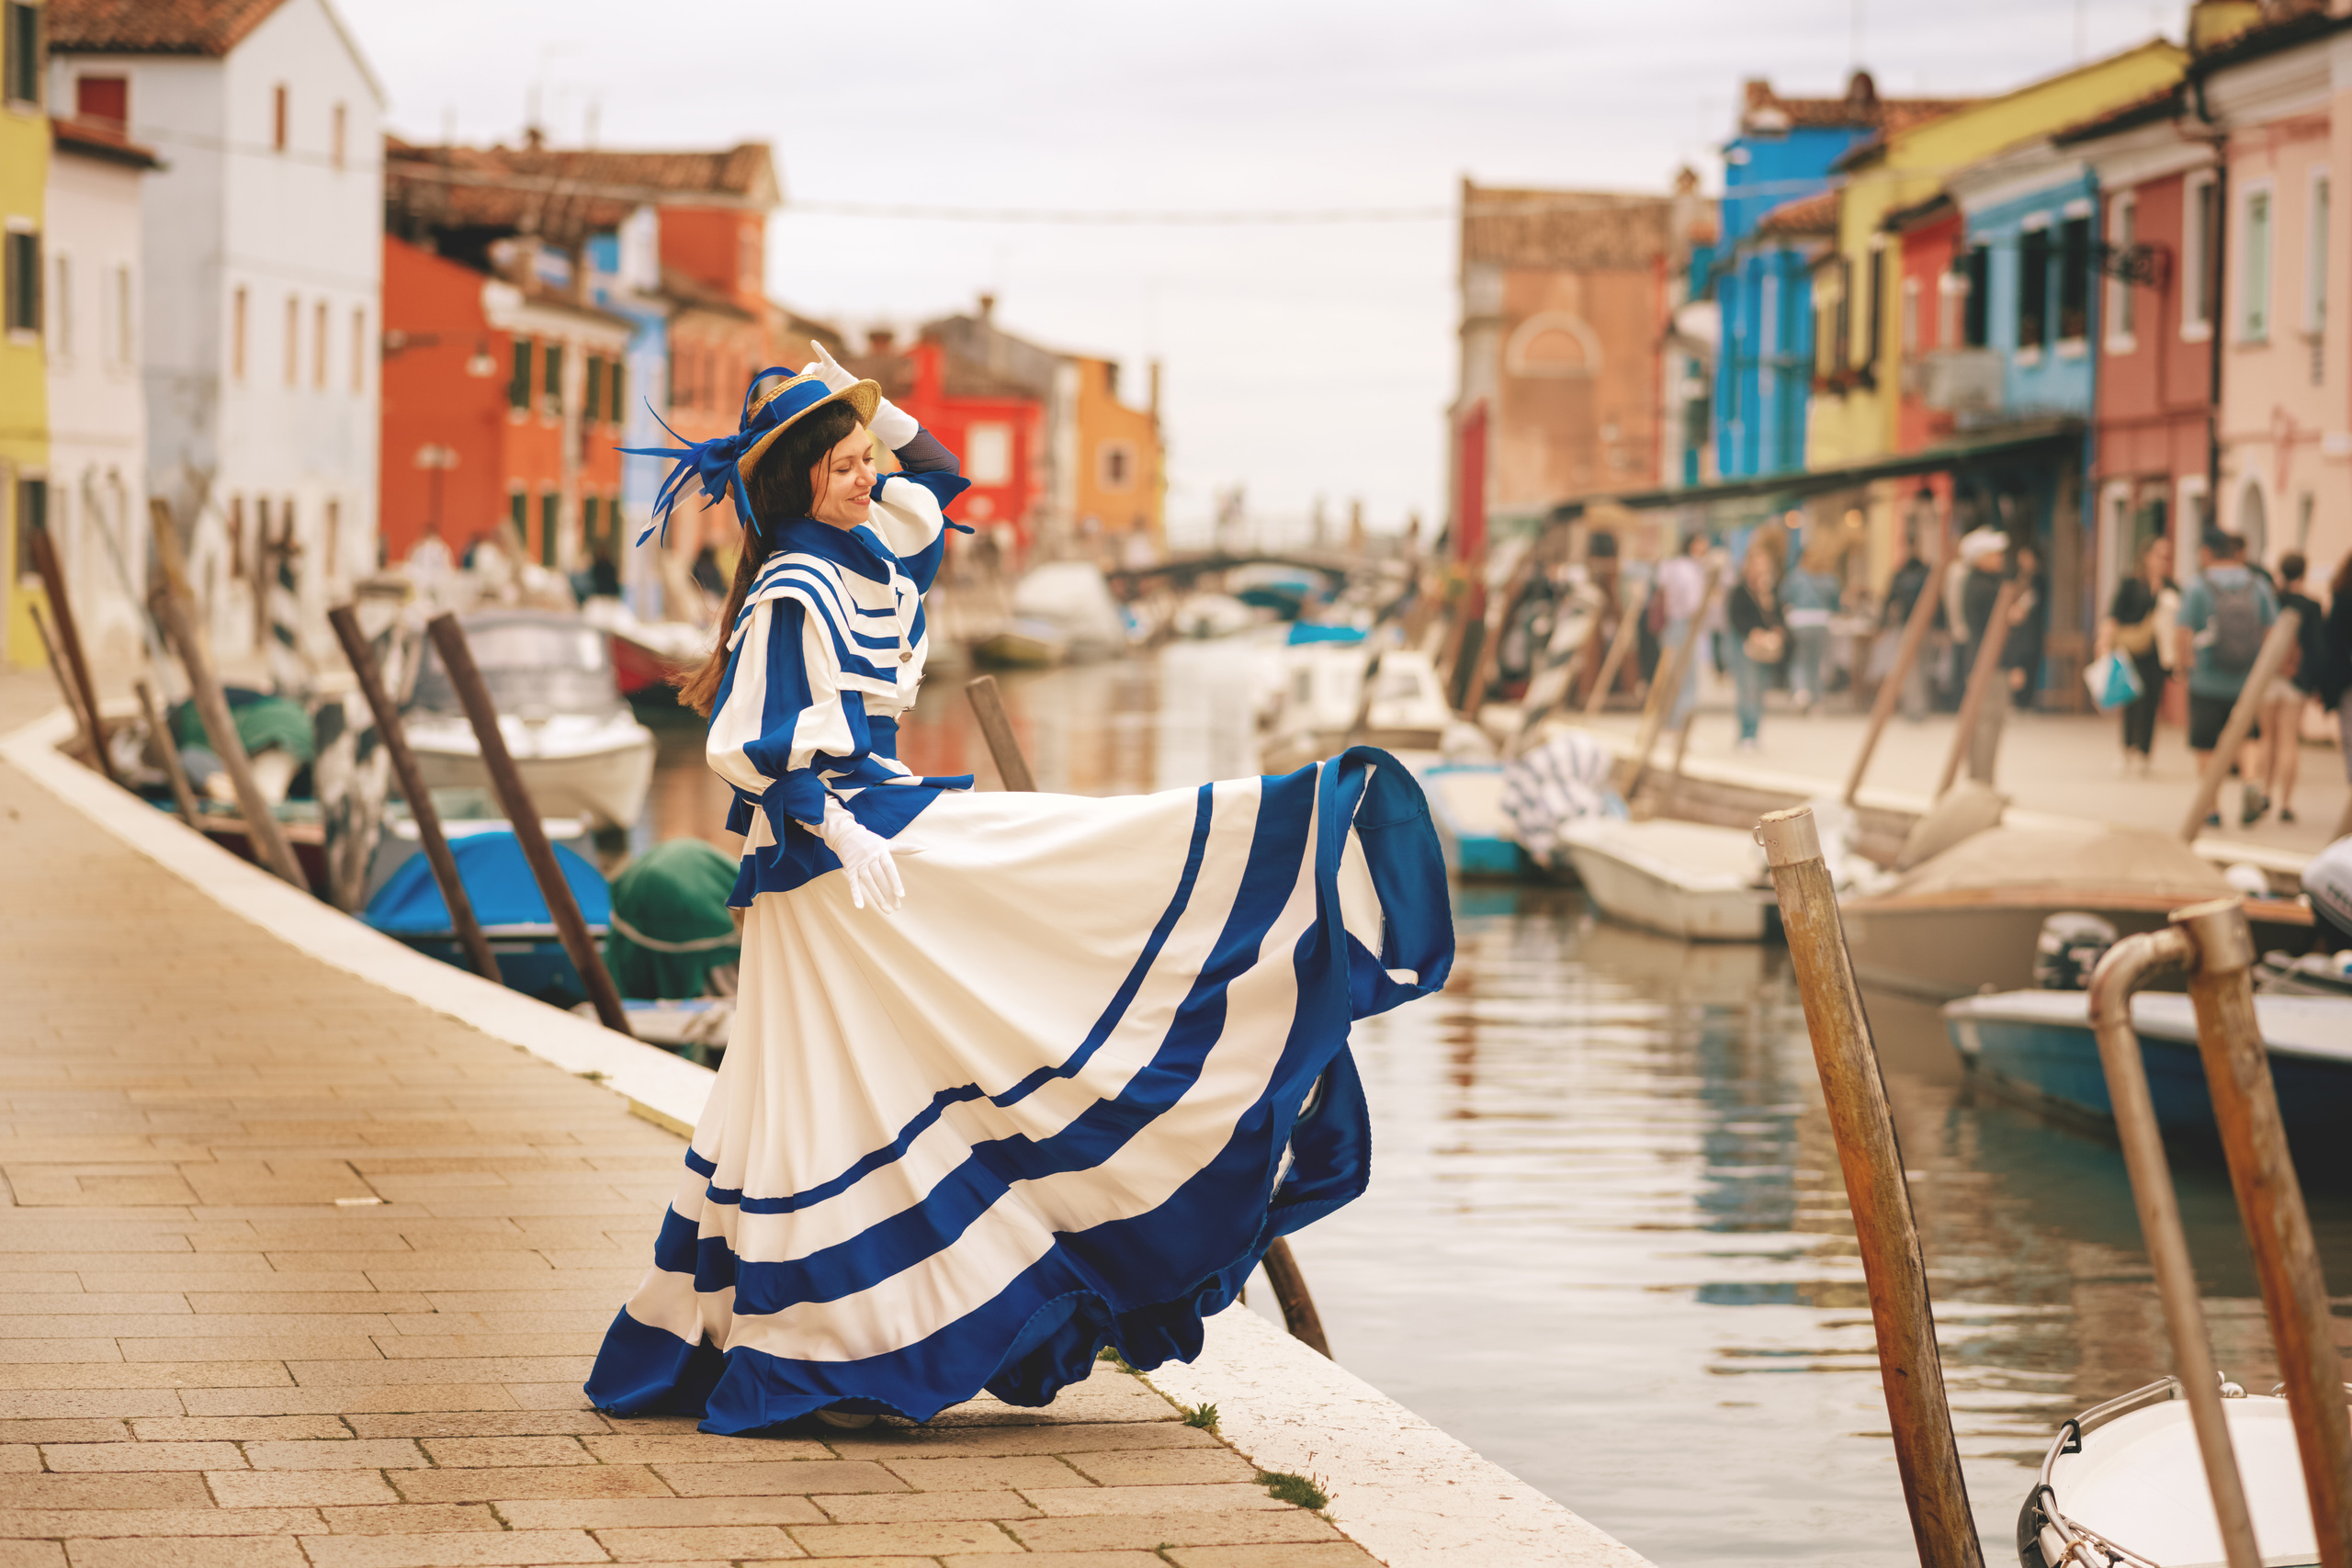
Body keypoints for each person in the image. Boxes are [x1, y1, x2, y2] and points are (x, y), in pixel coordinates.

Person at [582, 349, 1451, 1436]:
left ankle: (822, 1331)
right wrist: (836, 824)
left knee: (861, 1080)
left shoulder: (862, 555)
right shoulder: (797, 588)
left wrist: (863, 395)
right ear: (801, 475)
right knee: (839, 1082)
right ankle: (826, 1337)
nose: (866, 476)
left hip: (870, 846)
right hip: (838, 862)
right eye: (845, 463)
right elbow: (748, 745)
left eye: (863, 459)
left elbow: (938, 482)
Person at [2177, 527, 2278, 826]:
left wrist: (2183, 667)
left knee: (2206, 743)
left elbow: (2183, 632)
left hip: (2206, 679)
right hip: (2247, 679)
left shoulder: (2197, 586)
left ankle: (2212, 808)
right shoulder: (2257, 584)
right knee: (2247, 736)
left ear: (2208, 553)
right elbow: (2273, 630)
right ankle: (2249, 783)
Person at [2095, 534, 2177, 775]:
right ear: (2147, 556)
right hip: (2131, 650)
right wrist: (2104, 643)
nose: (2163, 560)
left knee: (2151, 702)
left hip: (2157, 654)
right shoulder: (2131, 583)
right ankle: (2127, 749)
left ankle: (2145, 752)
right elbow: (2114, 614)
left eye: (2166, 556)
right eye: (2159, 555)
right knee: (2131, 700)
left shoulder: (2171, 587)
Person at [2261, 552, 2324, 823]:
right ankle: (2285, 804)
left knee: (2267, 738)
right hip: (2296, 679)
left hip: (2267, 677)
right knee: (2289, 740)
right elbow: (2317, 647)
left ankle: (2264, 792)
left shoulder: (2270, 599)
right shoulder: (2310, 605)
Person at [1724, 543, 1784, 751]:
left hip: (1765, 648)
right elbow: (1736, 617)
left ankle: (1755, 732)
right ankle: (1746, 733)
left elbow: (1776, 616)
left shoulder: (1768, 590)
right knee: (1747, 689)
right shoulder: (1740, 591)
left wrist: (1777, 630)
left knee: (1759, 690)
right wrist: (1752, 632)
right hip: (1745, 646)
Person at [1655, 531, 1711, 728]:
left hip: (1672, 624)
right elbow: (1692, 604)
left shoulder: (1671, 566)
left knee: (1673, 676)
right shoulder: (1689, 570)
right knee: (1687, 678)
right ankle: (1679, 723)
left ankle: (1669, 721)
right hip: (1684, 624)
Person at [1877, 536, 1932, 721]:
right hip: (1910, 624)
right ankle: (1916, 707)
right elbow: (1889, 601)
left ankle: (1917, 706)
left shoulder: (1919, 573)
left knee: (1917, 667)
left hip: (1921, 624)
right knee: (1913, 667)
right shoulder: (1905, 573)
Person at [1781, 541, 1840, 714]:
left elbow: (1784, 596)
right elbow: (1836, 603)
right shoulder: (1829, 578)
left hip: (1799, 620)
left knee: (1799, 658)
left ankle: (1800, 691)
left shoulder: (1795, 576)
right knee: (1816, 661)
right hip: (1821, 620)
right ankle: (1817, 699)